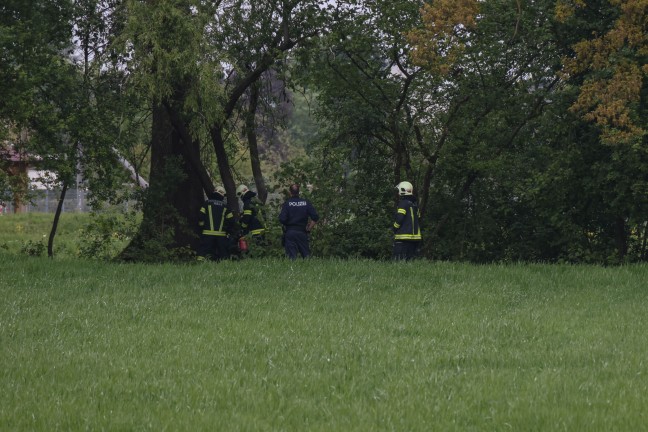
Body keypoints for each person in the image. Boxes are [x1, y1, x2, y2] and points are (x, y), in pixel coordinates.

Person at [279, 183, 319, 259]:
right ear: (299, 192)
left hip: (290, 233)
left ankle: (292, 270)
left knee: (291, 258)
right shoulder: (306, 203)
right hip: (302, 232)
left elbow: (282, 219)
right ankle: (309, 270)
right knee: (306, 257)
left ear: (290, 192)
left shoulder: (287, 203)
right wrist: (309, 228)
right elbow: (315, 217)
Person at [197, 186, 235, 261]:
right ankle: (225, 266)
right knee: (223, 253)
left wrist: (201, 226)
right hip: (221, 235)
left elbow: (200, 216)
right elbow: (231, 221)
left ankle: (199, 264)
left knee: (203, 252)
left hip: (207, 234)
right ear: (222, 195)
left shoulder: (207, 203)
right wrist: (228, 231)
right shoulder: (226, 206)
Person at [392, 181, 421, 260]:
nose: (398, 193)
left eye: (399, 191)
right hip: (415, 239)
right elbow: (418, 218)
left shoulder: (403, 203)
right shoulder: (414, 204)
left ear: (402, 190)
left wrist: (394, 228)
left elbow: (400, 218)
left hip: (403, 238)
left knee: (399, 261)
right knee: (410, 261)